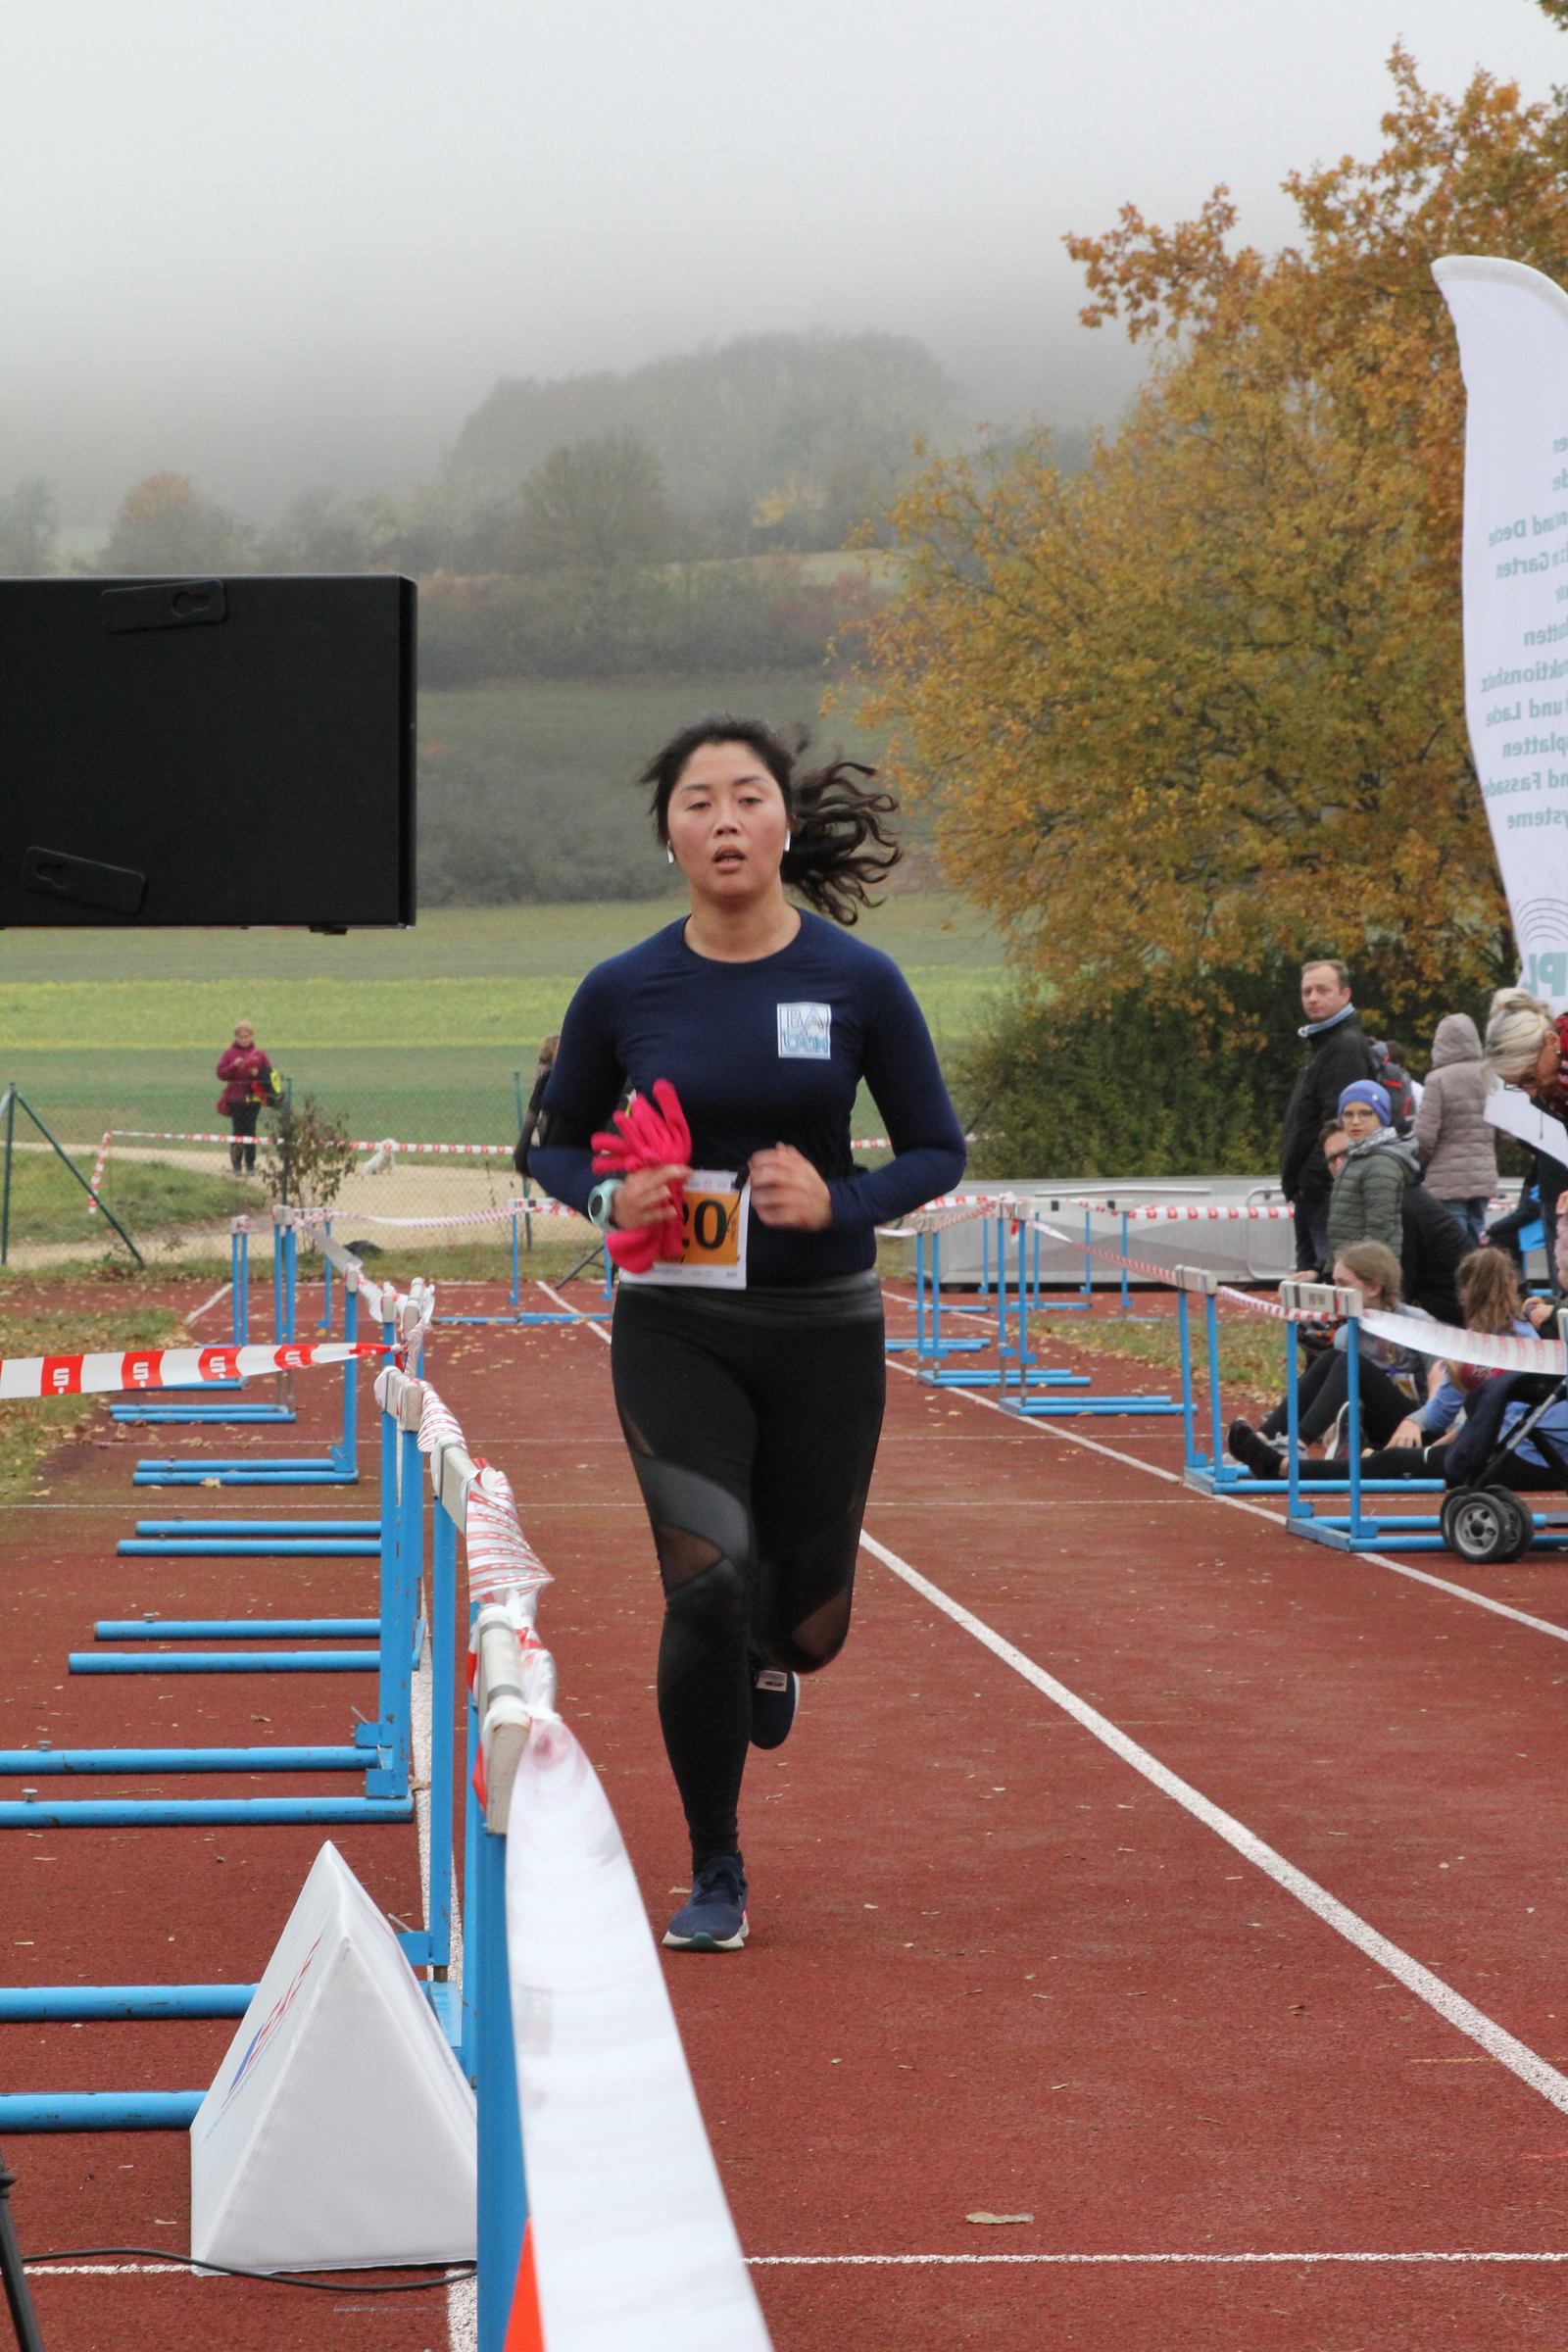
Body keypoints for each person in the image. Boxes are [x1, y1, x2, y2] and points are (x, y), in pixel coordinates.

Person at [527, 714, 966, 1954]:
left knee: (805, 1623)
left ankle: (772, 1646)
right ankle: (715, 1863)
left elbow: (937, 1150)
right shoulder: (622, 989)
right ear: (669, 835)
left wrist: (843, 1200)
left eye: (746, 797)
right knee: (708, 1581)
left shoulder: (857, 981)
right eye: (697, 802)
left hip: (823, 1324)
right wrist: (607, 1199)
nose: (723, 820)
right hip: (677, 1322)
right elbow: (551, 1147)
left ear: (784, 822)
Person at [1228, 1247, 1527, 1484]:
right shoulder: (1348, 1331)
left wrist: (1418, 1421)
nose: (1335, 1292)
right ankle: (1268, 1437)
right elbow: (1337, 1388)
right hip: (1383, 1421)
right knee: (1334, 1358)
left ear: (1373, 1288)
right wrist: (1330, 1418)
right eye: (1333, 1283)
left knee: (1350, 1364)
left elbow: (1441, 1398)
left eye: (1343, 1285)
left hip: (1423, 1425)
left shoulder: (1420, 1325)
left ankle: (1297, 1448)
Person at [1279, 958, 1376, 1272]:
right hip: (1313, 1191)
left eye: (1323, 990)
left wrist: (1310, 1180)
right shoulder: (1325, 1045)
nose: (1312, 998)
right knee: (1308, 1286)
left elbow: (1340, 1124)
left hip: (1326, 1192)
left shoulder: (1345, 1047)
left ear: (1345, 995)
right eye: (1306, 991)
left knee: (1331, 1280)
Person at [1483, 989, 1568, 1272]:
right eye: (1518, 1085)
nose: (1530, 1092)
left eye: (1529, 1077)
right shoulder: (1554, 1088)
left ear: (1552, 1041)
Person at [1411, 1013, 1496, 1246]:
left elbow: (1424, 1137)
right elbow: (1506, 1133)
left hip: (1445, 1179)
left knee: (1453, 1242)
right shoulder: (1490, 1076)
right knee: (1479, 1237)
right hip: (1482, 1175)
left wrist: (1422, 1162)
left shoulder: (1437, 1080)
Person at [1325, 1080, 1420, 1260]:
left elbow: (1379, 1230)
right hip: (1350, 1265)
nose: (1355, 1121)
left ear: (1381, 1116)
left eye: (1365, 1113)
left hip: (1367, 1268)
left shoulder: (1380, 1163)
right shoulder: (1357, 1156)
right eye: (1348, 1114)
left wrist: (1358, 1269)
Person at [216, 1021, 274, 1174]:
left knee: (251, 1132)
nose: (244, 1039)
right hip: (236, 1099)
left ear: (251, 1036)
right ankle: (236, 1164)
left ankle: (250, 1165)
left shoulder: (259, 1054)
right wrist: (233, 1066)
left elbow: (270, 1075)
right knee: (238, 1132)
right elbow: (221, 1074)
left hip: (254, 1100)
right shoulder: (229, 1054)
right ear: (236, 1037)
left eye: (247, 1036)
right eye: (241, 1036)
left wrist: (258, 1073)